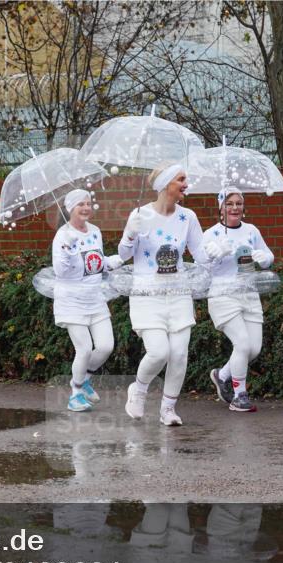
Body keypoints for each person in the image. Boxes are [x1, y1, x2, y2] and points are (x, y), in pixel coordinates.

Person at [118, 164, 211, 426]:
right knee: (159, 352)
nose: (186, 184)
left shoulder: (188, 217)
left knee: (179, 353)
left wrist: (219, 250)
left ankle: (168, 408)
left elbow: (202, 256)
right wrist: (130, 233)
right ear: (166, 183)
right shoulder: (140, 215)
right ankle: (138, 389)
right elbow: (124, 255)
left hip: (179, 292)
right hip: (147, 295)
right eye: (181, 179)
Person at [202, 187, 274, 412]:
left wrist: (265, 259)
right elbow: (202, 270)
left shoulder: (251, 230)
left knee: (253, 349)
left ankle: (222, 375)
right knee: (242, 344)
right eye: (229, 203)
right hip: (223, 295)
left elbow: (268, 255)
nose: (234, 208)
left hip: (249, 294)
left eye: (238, 203)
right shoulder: (211, 235)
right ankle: (239, 395)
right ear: (220, 208)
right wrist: (215, 255)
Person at [52, 189, 123, 411]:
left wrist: (109, 262)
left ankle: (84, 380)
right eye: (80, 204)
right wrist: (68, 249)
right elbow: (61, 272)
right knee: (83, 349)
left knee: (105, 346)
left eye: (88, 203)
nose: (85, 208)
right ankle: (75, 394)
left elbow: (95, 263)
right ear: (69, 209)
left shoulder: (95, 231)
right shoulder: (62, 235)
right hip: (71, 301)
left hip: (95, 298)